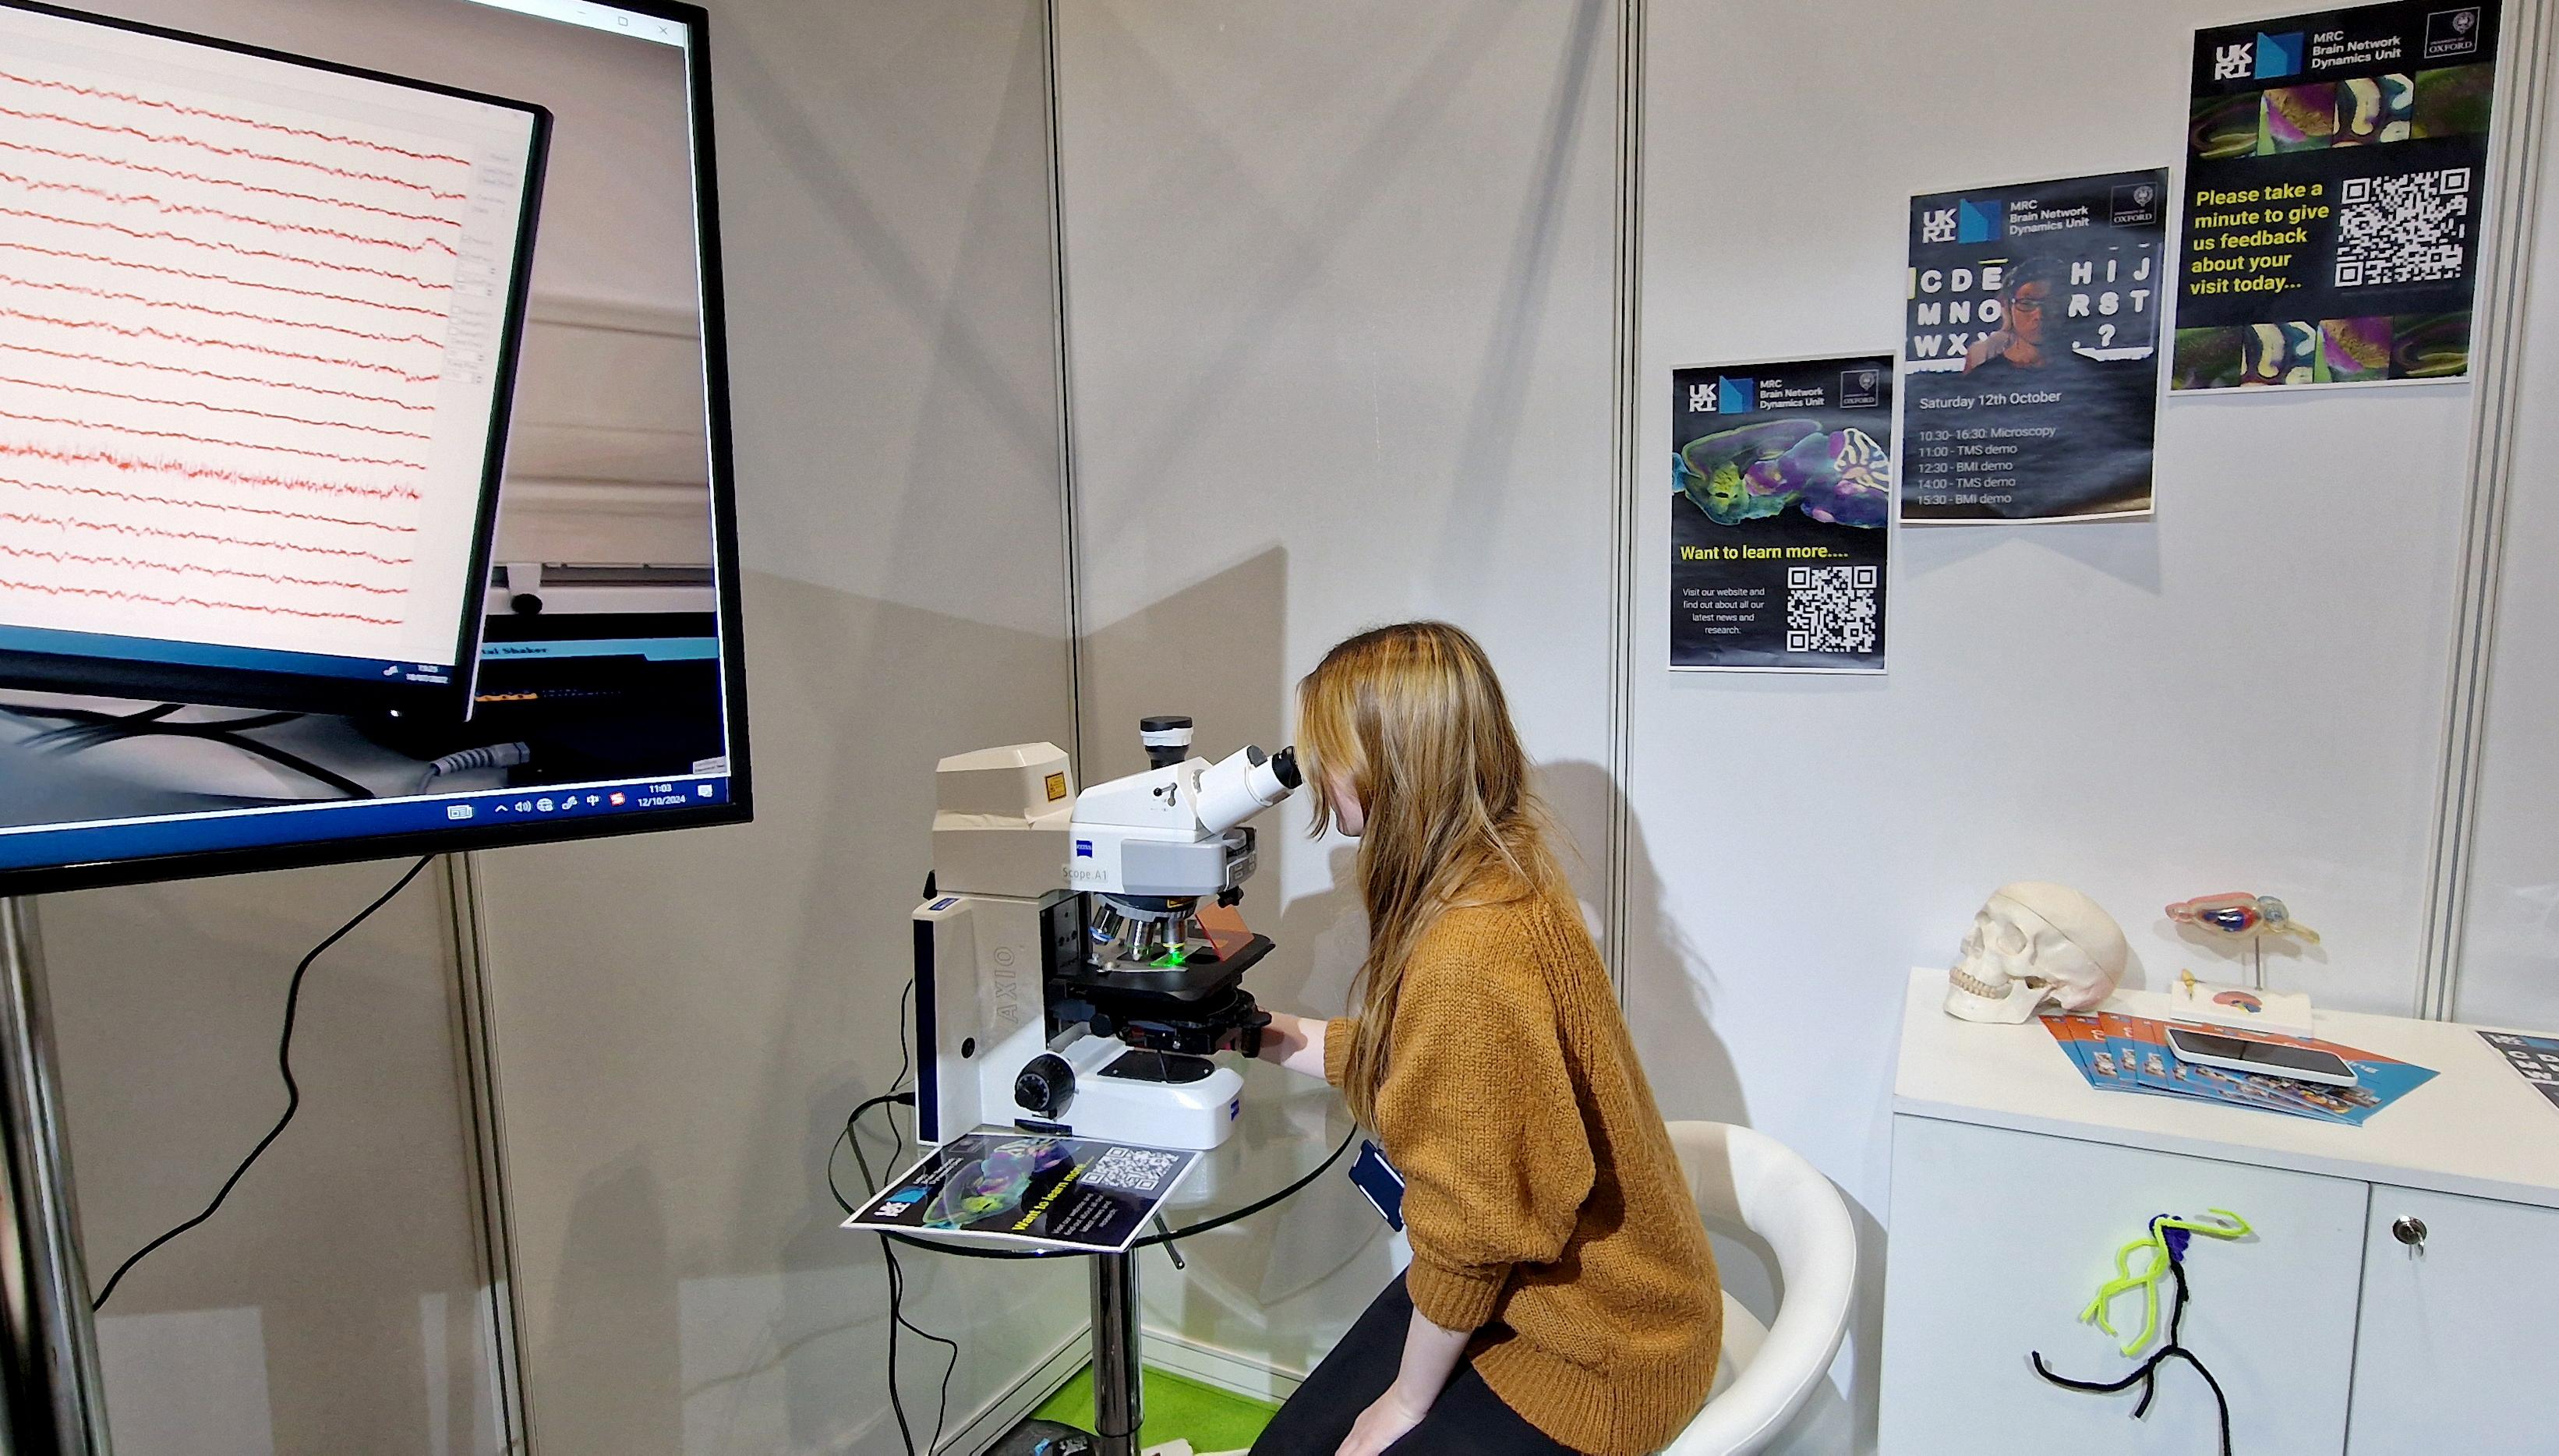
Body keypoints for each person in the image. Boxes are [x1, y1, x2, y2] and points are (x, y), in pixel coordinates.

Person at [1249, 622, 1722, 1456]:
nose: (1315, 777)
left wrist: (1400, 1402)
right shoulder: (1502, 871)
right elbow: (1454, 1071)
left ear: (1392, 761)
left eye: (1325, 752)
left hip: (1597, 1347)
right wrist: (1263, 1035)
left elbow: (1473, 1225)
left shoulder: (1467, 947)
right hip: (1539, 1286)